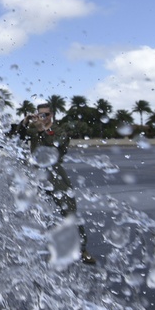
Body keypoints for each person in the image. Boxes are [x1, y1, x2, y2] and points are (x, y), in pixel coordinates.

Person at [14, 102, 95, 264]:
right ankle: (31, 249)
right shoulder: (33, 130)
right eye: (39, 114)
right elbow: (18, 135)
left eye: (45, 115)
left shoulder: (59, 131)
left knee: (69, 212)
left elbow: (55, 149)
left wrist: (41, 131)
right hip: (36, 174)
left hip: (55, 174)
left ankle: (82, 249)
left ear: (52, 115)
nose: (42, 117)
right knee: (29, 212)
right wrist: (24, 123)